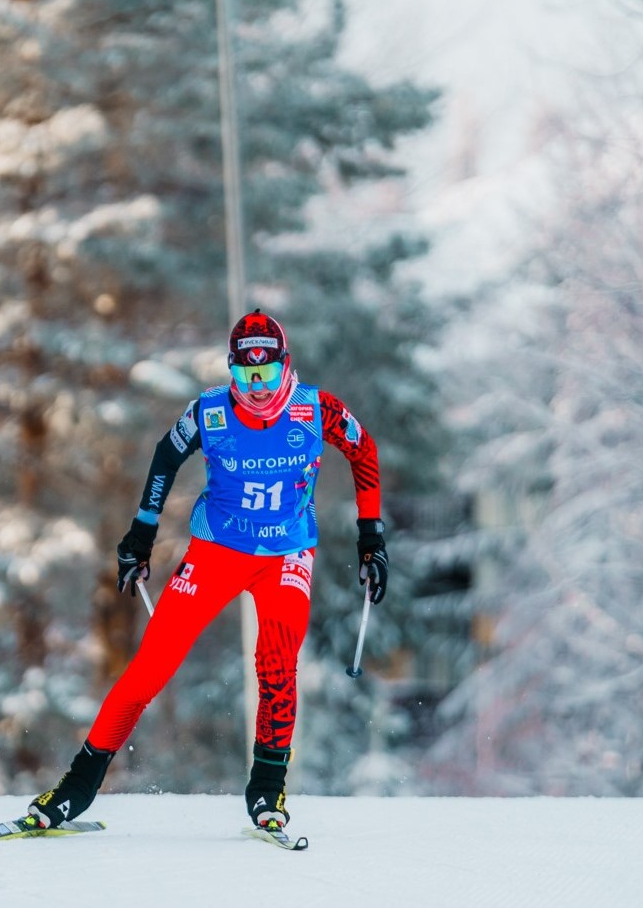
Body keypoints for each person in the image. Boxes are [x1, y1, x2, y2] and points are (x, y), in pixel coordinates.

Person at [24, 310, 390, 834]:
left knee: (277, 666)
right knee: (150, 668)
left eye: (267, 374)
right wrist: (141, 533)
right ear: (231, 369)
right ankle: (75, 789)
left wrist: (371, 536)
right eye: (245, 374)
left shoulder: (315, 408)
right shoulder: (210, 412)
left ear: (286, 366)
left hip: (287, 555)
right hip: (216, 552)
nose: (257, 387)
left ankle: (267, 792)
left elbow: (364, 450)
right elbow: (164, 457)